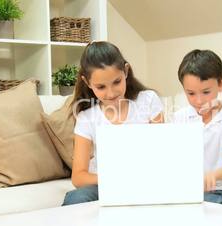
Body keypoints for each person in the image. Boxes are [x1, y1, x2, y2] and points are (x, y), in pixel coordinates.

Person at [62, 41, 164, 206]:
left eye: (116, 82)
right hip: (104, 185)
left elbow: (163, 152)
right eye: (101, 87)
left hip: (144, 183)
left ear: (125, 71)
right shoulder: (86, 118)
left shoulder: (148, 100)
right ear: (87, 82)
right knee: (77, 198)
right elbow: (79, 177)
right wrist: (115, 180)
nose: (111, 93)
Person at [173, 49, 222, 204]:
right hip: (184, 188)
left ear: (221, 84)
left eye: (206, 92)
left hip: (215, 189)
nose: (198, 101)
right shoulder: (180, 117)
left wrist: (213, 176)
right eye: (190, 93)